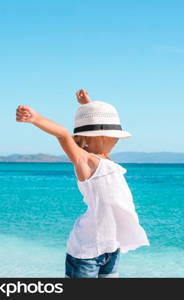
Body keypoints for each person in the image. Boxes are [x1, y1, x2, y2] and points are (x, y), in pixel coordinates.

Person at [15, 89, 150, 278]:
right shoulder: (86, 162)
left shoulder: (106, 160)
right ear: (102, 137)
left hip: (111, 246)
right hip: (86, 251)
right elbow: (63, 134)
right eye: (115, 135)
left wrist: (88, 106)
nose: (118, 139)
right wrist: (35, 118)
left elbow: (93, 129)